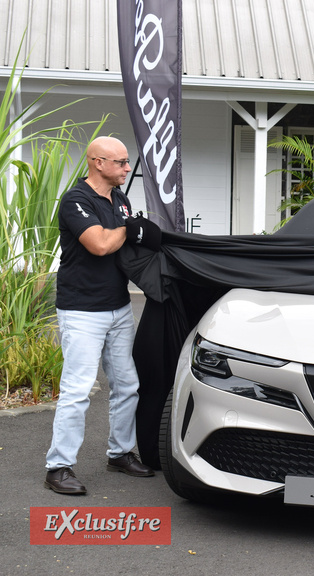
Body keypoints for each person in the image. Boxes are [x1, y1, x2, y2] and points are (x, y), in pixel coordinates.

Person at [44, 136, 161, 495]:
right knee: (77, 391)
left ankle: (120, 453)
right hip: (82, 311)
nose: (128, 168)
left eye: (127, 162)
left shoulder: (120, 199)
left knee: (127, 385)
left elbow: (129, 243)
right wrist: (131, 229)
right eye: (121, 162)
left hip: (119, 307)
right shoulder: (76, 201)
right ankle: (58, 467)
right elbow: (100, 244)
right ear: (98, 163)